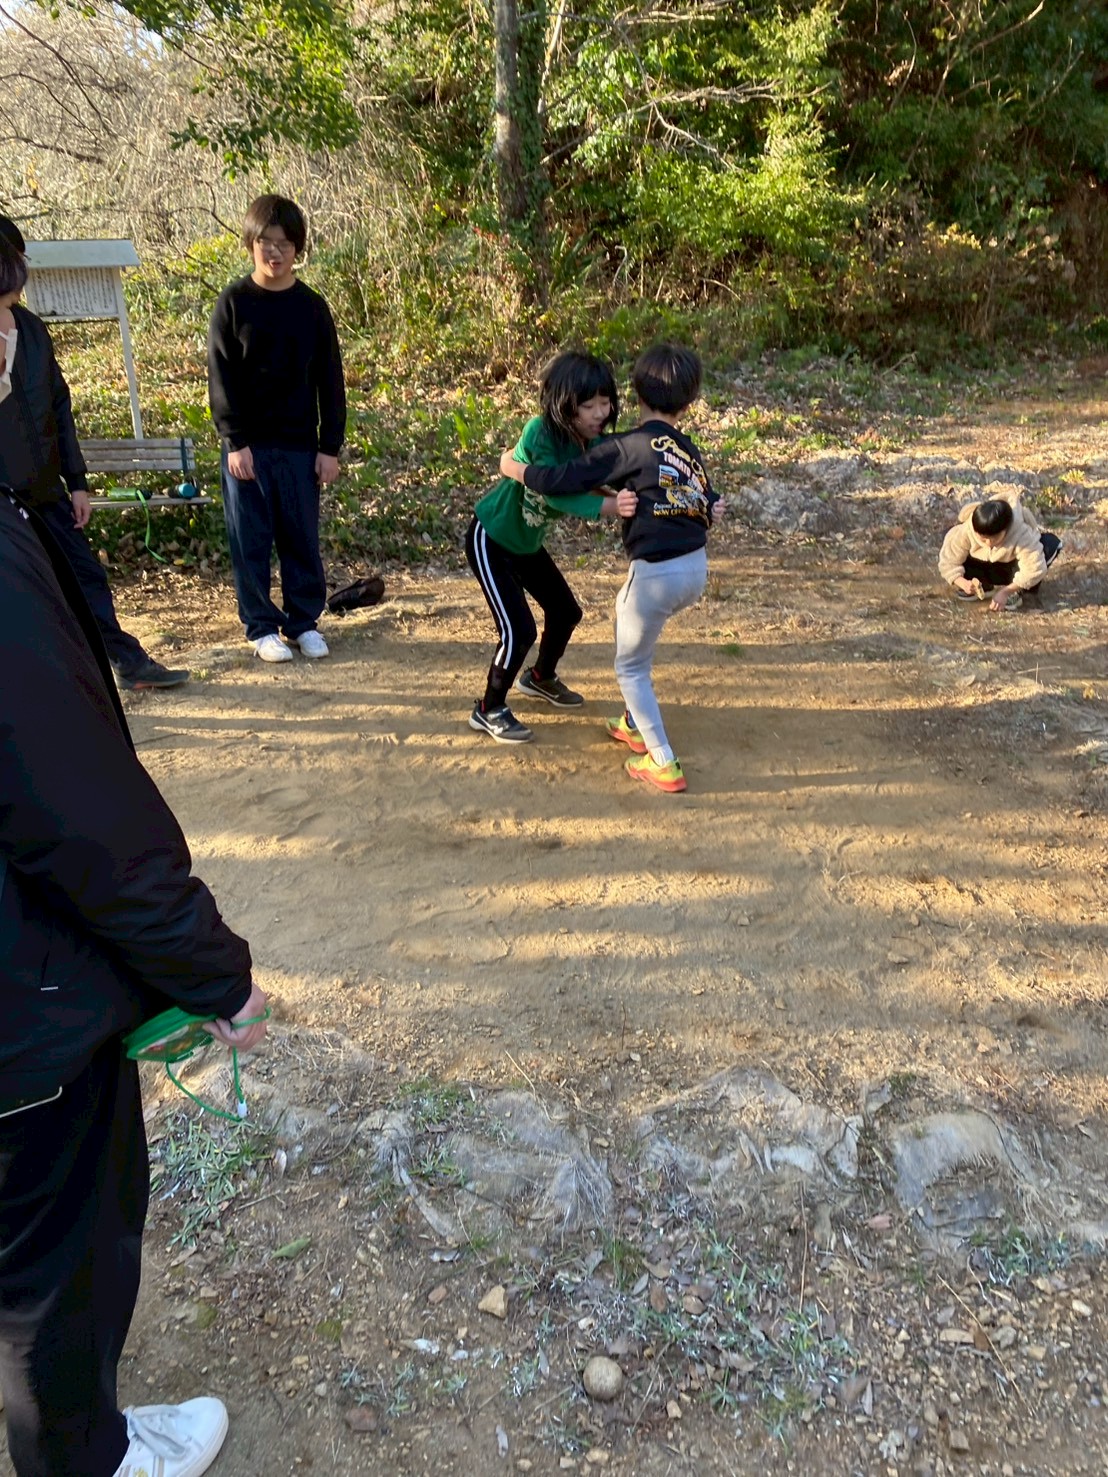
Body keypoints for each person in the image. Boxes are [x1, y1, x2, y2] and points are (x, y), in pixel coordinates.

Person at [0, 488, 268, 1476]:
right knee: (56, 1263)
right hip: (24, 1017)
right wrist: (213, 973)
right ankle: (85, 1455)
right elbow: (71, 804)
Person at [500, 343, 722, 792]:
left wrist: (514, 467)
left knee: (631, 668)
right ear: (688, 404)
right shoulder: (686, 449)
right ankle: (633, 720)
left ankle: (662, 761)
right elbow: (706, 498)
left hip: (656, 574)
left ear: (636, 395)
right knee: (626, 616)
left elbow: (562, 479)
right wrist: (713, 506)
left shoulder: (629, 446)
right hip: (694, 570)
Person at [0, 218, 188, 690]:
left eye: (20, 260)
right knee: (26, 601)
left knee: (86, 579)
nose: (19, 272)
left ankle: (128, 663)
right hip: (5, 503)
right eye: (11, 262)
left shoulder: (32, 329)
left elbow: (59, 406)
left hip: (48, 494)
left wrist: (78, 483)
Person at [208, 194, 346, 663]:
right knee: (250, 539)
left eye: (285, 243)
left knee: (300, 538)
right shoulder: (233, 303)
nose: (275, 252)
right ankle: (261, 627)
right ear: (250, 243)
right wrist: (234, 440)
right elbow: (220, 377)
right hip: (248, 448)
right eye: (266, 242)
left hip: (299, 445)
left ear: (297, 248)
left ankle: (303, 622)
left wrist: (330, 446)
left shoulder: (311, 307)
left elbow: (330, 380)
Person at [467, 350, 622, 744]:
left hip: (525, 545)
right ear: (564, 405)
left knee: (566, 612)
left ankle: (540, 678)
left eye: (605, 402)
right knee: (518, 630)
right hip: (491, 538)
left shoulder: (592, 441)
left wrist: (622, 494)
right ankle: (489, 708)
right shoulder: (540, 432)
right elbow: (554, 491)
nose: (599, 413)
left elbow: (591, 481)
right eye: (589, 405)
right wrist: (612, 506)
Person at [938, 489, 1062, 611]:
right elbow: (949, 561)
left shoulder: (1021, 532)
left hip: (1011, 570)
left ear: (1005, 529)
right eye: (983, 538)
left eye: (994, 538)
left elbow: (1034, 569)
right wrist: (962, 583)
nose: (988, 543)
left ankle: (1018, 591)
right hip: (983, 567)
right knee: (953, 543)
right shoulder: (966, 530)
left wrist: (1005, 592)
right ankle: (983, 586)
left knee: (1049, 544)